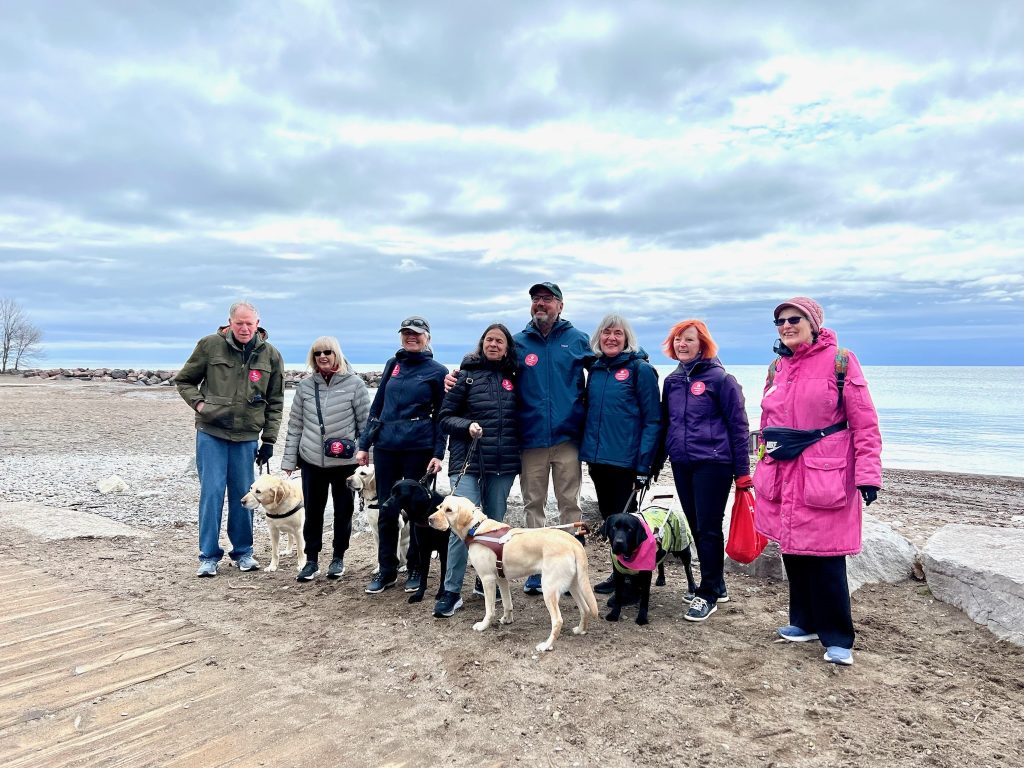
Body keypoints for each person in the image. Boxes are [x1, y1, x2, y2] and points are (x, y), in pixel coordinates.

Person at [753, 297, 882, 666]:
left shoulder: (841, 361)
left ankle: (838, 636)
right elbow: (769, 421)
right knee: (793, 551)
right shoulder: (777, 367)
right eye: (780, 321)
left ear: (813, 323)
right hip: (783, 470)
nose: (786, 326)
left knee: (826, 559)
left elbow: (865, 421)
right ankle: (804, 622)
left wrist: (868, 474)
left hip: (826, 471)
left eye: (794, 319)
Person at [174, 301, 285, 577]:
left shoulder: (270, 355)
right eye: (239, 323)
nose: (245, 328)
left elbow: (276, 401)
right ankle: (208, 555)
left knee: (243, 495)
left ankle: (243, 552)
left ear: (258, 323)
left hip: (247, 436)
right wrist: (200, 406)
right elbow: (184, 381)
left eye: (250, 323)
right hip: (212, 433)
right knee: (211, 493)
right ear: (230, 323)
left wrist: (269, 440)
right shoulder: (210, 345)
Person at [657, 319, 750, 622]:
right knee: (696, 524)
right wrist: (658, 460)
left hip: (714, 463)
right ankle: (717, 584)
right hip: (683, 462)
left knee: (709, 527)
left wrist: (743, 473)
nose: (682, 345)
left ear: (703, 345)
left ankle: (707, 592)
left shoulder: (721, 380)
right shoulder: (672, 381)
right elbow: (667, 424)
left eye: (689, 340)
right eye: (678, 340)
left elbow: (739, 428)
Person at [432, 323, 521, 618]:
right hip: (466, 463)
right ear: (481, 343)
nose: (493, 344)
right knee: (461, 528)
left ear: (507, 346)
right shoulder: (465, 376)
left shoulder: (516, 376)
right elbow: (444, 417)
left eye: (499, 341)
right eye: (489, 340)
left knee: (494, 528)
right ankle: (451, 589)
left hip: (503, 465)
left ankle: (486, 583)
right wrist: (467, 426)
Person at [357, 316, 448, 595]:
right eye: (407, 333)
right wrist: (364, 443)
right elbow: (378, 406)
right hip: (386, 447)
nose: (412, 337)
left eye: (417, 333)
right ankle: (387, 569)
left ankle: (416, 567)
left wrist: (438, 453)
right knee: (387, 509)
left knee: (419, 513)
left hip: (418, 447)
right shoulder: (392, 365)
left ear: (427, 338)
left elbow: (442, 417)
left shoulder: (437, 371)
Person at [578, 313, 660, 595]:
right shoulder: (597, 370)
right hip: (599, 460)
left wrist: (644, 464)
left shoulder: (641, 370)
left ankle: (635, 582)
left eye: (618, 333)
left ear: (627, 339)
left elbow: (652, 420)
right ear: (598, 338)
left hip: (627, 462)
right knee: (612, 522)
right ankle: (619, 575)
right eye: (606, 333)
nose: (611, 338)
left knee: (628, 522)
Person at [281, 336, 370, 582]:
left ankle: (338, 558)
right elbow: (295, 425)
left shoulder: (355, 385)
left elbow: (366, 425)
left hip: (345, 462)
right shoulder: (305, 387)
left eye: (328, 352)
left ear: (337, 354)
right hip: (311, 461)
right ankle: (311, 560)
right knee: (313, 512)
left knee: (343, 511)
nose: (323, 356)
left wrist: (367, 457)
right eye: (318, 353)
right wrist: (289, 461)